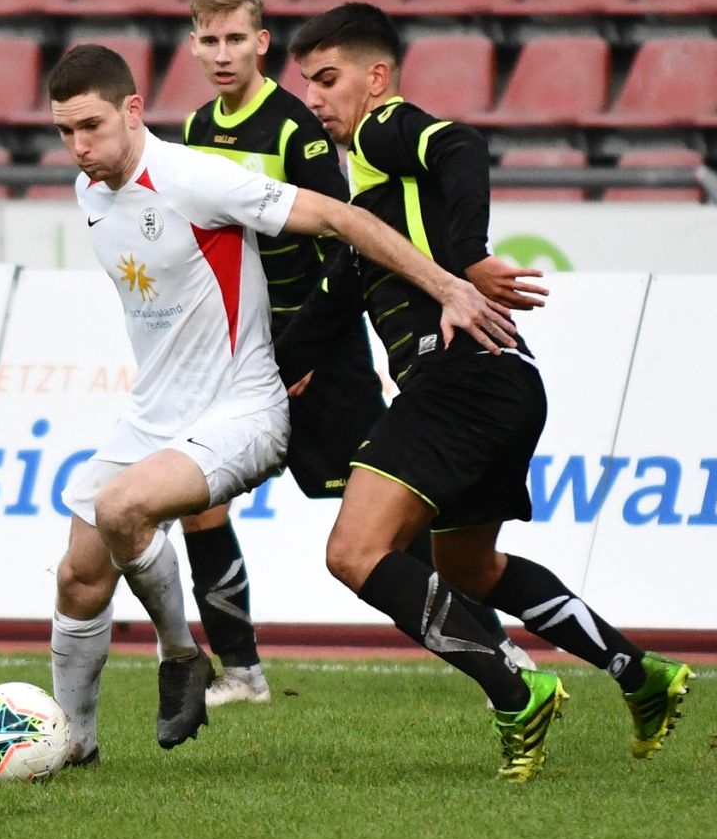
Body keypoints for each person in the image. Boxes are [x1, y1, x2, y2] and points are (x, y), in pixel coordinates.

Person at [45, 44, 517, 766]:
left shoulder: (194, 177)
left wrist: (448, 284)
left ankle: (182, 656)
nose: (79, 149)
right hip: (153, 414)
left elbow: (340, 218)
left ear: (133, 110)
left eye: (91, 128)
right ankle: (73, 746)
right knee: (78, 574)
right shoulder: (92, 189)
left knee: (120, 509)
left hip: (241, 411)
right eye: (65, 133)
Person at [277, 4, 693, 781]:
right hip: (507, 382)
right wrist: (268, 369)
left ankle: (515, 691)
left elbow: (461, 143)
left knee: (354, 551)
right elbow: (330, 306)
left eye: (328, 79)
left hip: (461, 379)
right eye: (307, 85)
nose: (317, 99)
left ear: (377, 77)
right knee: (471, 571)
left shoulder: (382, 129)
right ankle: (643, 676)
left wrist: (467, 258)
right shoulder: (369, 203)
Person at [176, 0, 536, 707]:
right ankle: (241, 671)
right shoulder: (192, 133)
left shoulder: (297, 128)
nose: (222, 54)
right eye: (208, 40)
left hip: (322, 348)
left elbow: (350, 236)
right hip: (252, 348)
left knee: (388, 521)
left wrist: (312, 342)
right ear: (192, 45)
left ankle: (493, 643)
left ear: (261, 45)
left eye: (235, 39)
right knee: (199, 499)